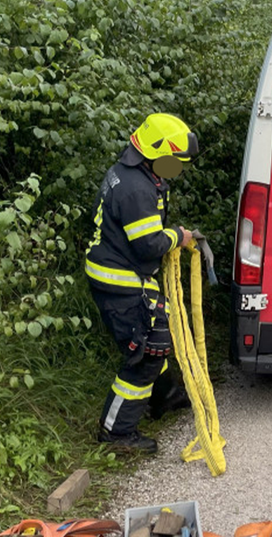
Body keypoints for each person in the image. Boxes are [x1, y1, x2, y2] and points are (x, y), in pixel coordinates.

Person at [84, 113, 200, 453]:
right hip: (121, 282)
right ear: (158, 153)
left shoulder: (130, 173)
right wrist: (179, 235)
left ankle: (164, 397)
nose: (177, 167)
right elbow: (148, 243)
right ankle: (117, 434)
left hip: (120, 274)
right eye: (175, 160)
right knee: (144, 356)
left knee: (156, 341)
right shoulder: (137, 189)